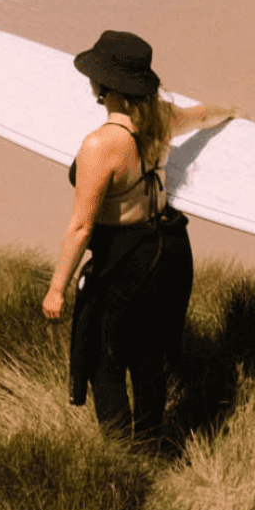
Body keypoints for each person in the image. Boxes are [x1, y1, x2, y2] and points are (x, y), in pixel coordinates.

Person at [43, 30, 235, 446]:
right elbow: (202, 116)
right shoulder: (161, 119)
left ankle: (121, 452)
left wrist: (57, 288)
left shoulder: (101, 145)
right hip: (168, 250)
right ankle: (151, 443)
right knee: (148, 357)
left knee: (103, 358)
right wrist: (232, 112)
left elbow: (81, 226)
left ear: (103, 85)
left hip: (123, 256)